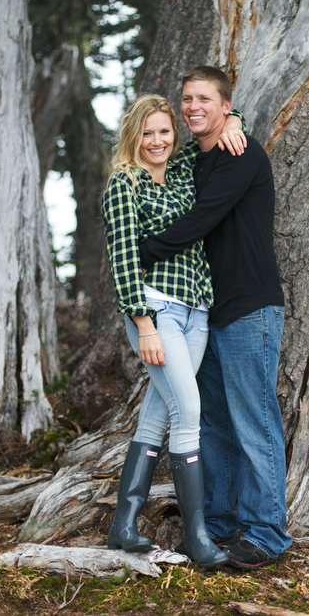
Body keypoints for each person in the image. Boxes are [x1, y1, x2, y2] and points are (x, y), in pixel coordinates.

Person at [138, 66, 291, 570]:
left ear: (225, 105)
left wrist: (147, 251)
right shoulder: (190, 160)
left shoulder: (239, 153)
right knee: (213, 425)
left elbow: (205, 217)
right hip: (203, 311)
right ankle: (219, 524)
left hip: (250, 307)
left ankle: (267, 533)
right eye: (187, 99)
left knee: (254, 422)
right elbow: (148, 157)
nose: (192, 107)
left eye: (204, 98)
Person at [100, 94, 244, 568]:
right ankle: (199, 538)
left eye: (164, 131)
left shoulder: (181, 170)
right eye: (147, 133)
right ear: (133, 136)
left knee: (158, 414)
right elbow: (122, 258)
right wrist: (143, 325)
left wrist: (235, 117)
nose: (157, 141)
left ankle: (123, 525)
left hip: (197, 310)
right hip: (156, 310)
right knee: (190, 411)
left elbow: (212, 131)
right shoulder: (124, 184)